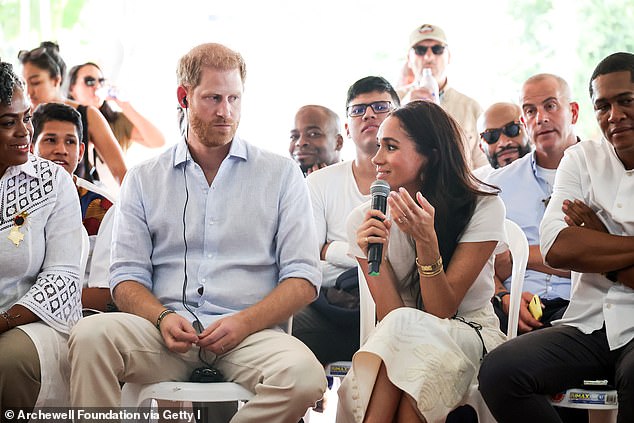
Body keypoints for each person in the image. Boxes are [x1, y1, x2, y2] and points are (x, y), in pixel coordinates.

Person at [67, 43, 326, 422]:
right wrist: (160, 318)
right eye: (213, 98)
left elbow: (304, 277)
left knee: (304, 378)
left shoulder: (281, 175)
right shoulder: (144, 179)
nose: (226, 111)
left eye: (234, 98)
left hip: (249, 336)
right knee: (90, 338)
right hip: (163, 336)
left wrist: (245, 322)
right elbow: (125, 278)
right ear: (183, 97)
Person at [478, 52, 634, 423]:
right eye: (604, 106)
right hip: (589, 321)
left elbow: (573, 249)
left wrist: (598, 240)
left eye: (626, 101)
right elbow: (558, 247)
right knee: (500, 372)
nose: (614, 115)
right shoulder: (581, 158)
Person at [336, 100, 507, 423]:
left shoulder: (482, 207)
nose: (377, 159)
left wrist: (426, 243)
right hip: (401, 338)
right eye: (377, 147)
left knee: (407, 353)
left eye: (390, 147)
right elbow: (390, 317)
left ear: (430, 156)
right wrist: (379, 259)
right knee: (404, 347)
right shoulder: (364, 219)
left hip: (469, 333)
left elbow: (442, 310)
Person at [293, 76, 400, 365]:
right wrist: (362, 258)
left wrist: (331, 249)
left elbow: (402, 266)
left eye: (380, 107)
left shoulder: (413, 183)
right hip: (334, 309)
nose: (368, 114)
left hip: (397, 309)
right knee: (288, 336)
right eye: (358, 109)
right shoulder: (318, 183)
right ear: (346, 130)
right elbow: (308, 261)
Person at [0, 61, 83, 411]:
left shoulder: (51, 182)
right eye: (8, 122)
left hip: (33, 321)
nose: (24, 131)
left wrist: (4, 321)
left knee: (8, 361)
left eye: (27, 118)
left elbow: (63, 278)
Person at [486, 74, 580, 335]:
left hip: (583, 309)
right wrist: (504, 296)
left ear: (572, 112)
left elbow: (600, 262)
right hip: (507, 310)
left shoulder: (603, 173)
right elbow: (481, 263)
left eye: (550, 106)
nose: (541, 118)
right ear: (524, 122)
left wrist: (520, 254)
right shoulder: (497, 184)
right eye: (530, 111)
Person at [31, 102, 115, 313]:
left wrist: (35, 306)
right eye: (50, 140)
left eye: (70, 142)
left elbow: (103, 294)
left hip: (77, 317)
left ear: (80, 152)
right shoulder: (13, 197)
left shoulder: (103, 208)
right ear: (31, 146)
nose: (61, 150)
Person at [18, 41, 127, 188]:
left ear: (57, 80)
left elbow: (121, 173)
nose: (28, 92)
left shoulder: (88, 115)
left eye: (36, 82)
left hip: (80, 203)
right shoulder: (21, 119)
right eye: (24, 84)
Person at [397, 23, 488, 170]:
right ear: (409, 58)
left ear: (449, 56)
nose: (429, 57)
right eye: (420, 50)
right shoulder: (393, 100)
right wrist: (402, 109)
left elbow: (483, 168)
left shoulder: (470, 107)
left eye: (437, 49)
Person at [66, 62, 166, 152]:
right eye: (89, 81)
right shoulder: (63, 122)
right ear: (72, 89)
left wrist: (125, 105)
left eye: (101, 81)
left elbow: (158, 141)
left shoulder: (117, 121)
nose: (97, 86)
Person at [476, 102, 531, 177]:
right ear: (481, 148)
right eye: (491, 136)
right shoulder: (478, 185)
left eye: (512, 129)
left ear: (528, 130)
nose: (504, 143)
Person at [289, 104, 343, 175]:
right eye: (294, 136)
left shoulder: (356, 181)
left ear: (338, 142)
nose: (300, 142)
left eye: (313, 134)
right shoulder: (283, 182)